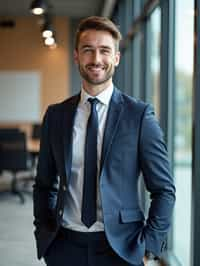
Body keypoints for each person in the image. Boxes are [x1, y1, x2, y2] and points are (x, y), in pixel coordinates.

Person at [33, 16, 175, 266]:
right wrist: (44, 236)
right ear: (76, 56)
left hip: (122, 250)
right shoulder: (56, 116)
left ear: (116, 58)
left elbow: (164, 190)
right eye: (88, 50)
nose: (96, 59)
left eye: (104, 51)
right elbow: (45, 184)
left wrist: (150, 248)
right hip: (64, 247)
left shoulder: (140, 116)